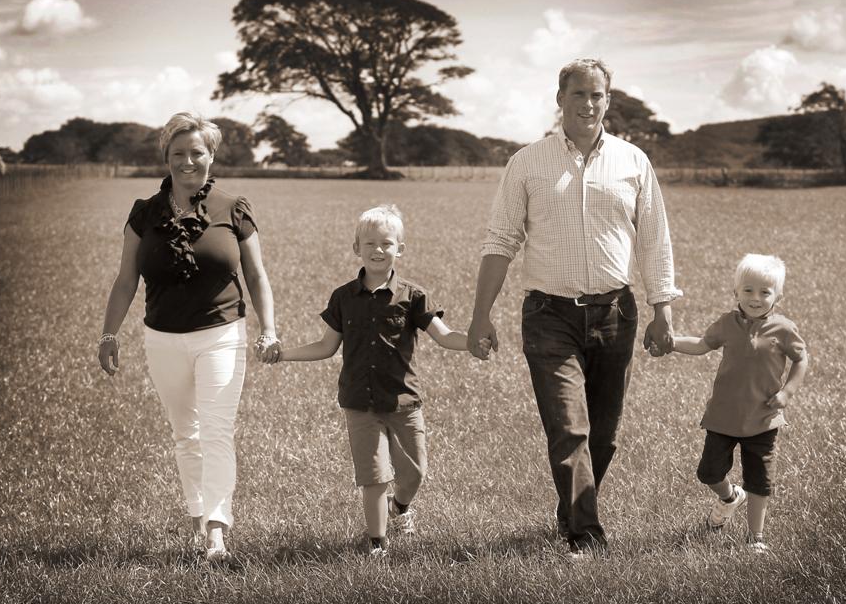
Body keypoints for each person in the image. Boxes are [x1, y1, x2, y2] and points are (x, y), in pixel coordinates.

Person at [467, 58, 682, 558]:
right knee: (569, 427)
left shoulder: (633, 162)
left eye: (597, 94)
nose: (588, 103)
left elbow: (654, 239)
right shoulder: (527, 162)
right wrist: (481, 315)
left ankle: (570, 512)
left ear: (608, 100)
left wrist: (662, 308)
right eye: (579, 93)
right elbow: (501, 241)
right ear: (560, 98)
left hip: (616, 314)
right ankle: (585, 534)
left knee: (604, 436)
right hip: (549, 315)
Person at [98, 112, 281, 563]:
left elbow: (257, 276)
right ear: (166, 157)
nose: (187, 161)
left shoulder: (234, 208)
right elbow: (126, 280)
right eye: (177, 153)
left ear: (211, 155)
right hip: (162, 338)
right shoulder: (144, 213)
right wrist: (108, 333)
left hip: (221, 334)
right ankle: (199, 517)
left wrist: (269, 328)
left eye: (196, 152)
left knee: (216, 432)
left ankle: (217, 533)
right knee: (186, 434)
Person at [268, 204, 484, 557]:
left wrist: (473, 342)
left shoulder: (413, 296)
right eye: (369, 243)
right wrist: (283, 354)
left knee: (415, 472)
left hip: (403, 401)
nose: (378, 250)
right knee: (374, 476)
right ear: (357, 248)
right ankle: (376, 543)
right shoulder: (343, 297)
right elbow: (326, 346)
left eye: (386, 243)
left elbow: (444, 336)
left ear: (401, 249)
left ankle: (400, 507)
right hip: (360, 403)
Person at [671, 253, 809, 553]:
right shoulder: (727, 324)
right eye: (748, 290)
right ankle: (730, 497)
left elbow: (801, 359)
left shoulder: (784, 329)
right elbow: (702, 345)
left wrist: (787, 393)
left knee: (759, 481)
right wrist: (672, 342)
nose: (755, 298)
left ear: (778, 297)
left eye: (765, 292)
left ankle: (755, 537)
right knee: (708, 473)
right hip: (723, 417)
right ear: (736, 292)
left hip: (763, 419)